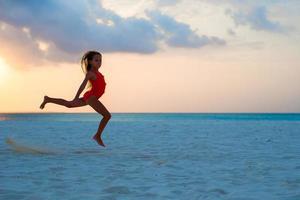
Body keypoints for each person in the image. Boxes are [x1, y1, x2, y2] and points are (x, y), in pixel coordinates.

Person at [39, 50, 111, 147]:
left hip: (90, 96)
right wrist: (76, 98)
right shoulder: (90, 73)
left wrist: (74, 100)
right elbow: (82, 86)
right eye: (96, 60)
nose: (99, 62)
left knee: (69, 105)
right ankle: (97, 136)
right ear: (90, 62)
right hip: (92, 98)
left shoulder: (98, 73)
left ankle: (48, 99)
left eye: (100, 60)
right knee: (107, 116)